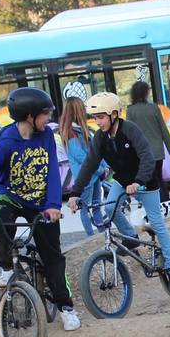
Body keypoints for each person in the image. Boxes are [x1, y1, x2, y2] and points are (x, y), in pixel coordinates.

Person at [0, 86, 82, 331]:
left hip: (40, 202)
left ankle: (66, 308)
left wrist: (53, 205)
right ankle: (7, 267)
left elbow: (52, 172)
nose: (49, 118)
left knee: (53, 256)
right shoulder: (7, 141)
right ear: (29, 116)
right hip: (11, 195)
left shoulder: (46, 136)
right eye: (45, 114)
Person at [66, 91, 170, 291]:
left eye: (101, 117)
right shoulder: (100, 137)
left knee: (156, 222)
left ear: (114, 114)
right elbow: (89, 164)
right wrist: (75, 193)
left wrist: (138, 181)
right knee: (110, 209)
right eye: (95, 118)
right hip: (122, 181)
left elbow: (147, 157)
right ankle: (131, 237)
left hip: (145, 182)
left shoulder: (130, 130)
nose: (98, 122)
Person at [58, 87, 109, 236]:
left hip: (93, 174)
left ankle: (102, 233)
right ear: (77, 111)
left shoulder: (80, 129)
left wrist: (103, 166)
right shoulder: (71, 132)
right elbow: (82, 156)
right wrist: (101, 169)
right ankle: (90, 236)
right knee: (86, 209)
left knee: (97, 206)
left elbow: (95, 150)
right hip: (86, 176)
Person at [126, 80, 170, 213]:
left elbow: (128, 134)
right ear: (145, 93)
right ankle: (166, 203)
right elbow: (164, 131)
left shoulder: (131, 110)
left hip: (140, 153)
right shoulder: (154, 108)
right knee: (159, 178)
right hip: (157, 151)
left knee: (145, 180)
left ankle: (152, 206)